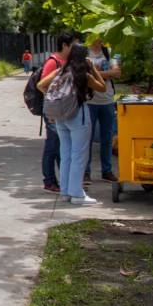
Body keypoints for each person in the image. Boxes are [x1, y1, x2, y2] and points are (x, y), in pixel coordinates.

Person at [37, 43, 106, 205]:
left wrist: (58, 100)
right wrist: (93, 68)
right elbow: (102, 87)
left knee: (66, 154)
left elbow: (40, 85)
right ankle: (77, 194)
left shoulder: (60, 71)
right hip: (78, 115)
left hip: (60, 116)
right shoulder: (83, 76)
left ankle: (66, 192)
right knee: (79, 155)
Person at [39, 32, 74, 194]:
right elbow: (42, 85)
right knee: (52, 146)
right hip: (53, 111)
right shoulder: (53, 62)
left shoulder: (68, 61)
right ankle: (49, 181)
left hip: (63, 111)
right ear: (65, 45)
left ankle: (64, 179)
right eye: (73, 45)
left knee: (61, 145)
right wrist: (53, 102)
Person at [84, 37, 120, 184]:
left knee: (107, 137)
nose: (99, 40)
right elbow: (85, 74)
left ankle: (107, 170)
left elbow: (117, 72)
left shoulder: (108, 52)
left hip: (107, 100)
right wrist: (107, 73)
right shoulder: (85, 53)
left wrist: (95, 73)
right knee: (87, 138)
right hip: (90, 100)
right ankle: (86, 172)